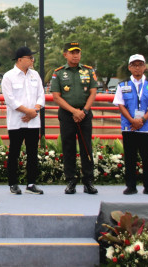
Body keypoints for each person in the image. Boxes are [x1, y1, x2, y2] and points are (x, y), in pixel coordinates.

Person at [51, 42, 99, 195]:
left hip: (84, 114)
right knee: (68, 147)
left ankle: (88, 181)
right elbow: (56, 97)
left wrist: (83, 111)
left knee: (86, 148)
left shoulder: (88, 71)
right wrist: (73, 111)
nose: (76, 55)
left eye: (78, 52)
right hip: (67, 115)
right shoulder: (58, 73)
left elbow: (93, 92)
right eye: (72, 52)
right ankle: (71, 180)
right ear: (65, 54)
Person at [113, 54, 148, 196]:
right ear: (129, 67)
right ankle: (131, 186)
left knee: (147, 157)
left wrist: (142, 120)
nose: (137, 68)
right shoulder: (123, 85)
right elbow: (120, 105)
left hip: (147, 127)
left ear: (145, 67)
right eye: (134, 65)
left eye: (140, 64)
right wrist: (132, 120)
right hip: (129, 126)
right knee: (130, 157)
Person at [1, 46, 45, 195]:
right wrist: (28, 111)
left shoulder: (35, 75)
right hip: (17, 121)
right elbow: (10, 100)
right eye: (30, 57)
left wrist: (35, 110)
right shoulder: (9, 76)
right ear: (20, 60)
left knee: (32, 152)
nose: (32, 60)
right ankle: (13, 183)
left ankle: (31, 183)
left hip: (33, 121)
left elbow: (41, 95)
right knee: (14, 152)